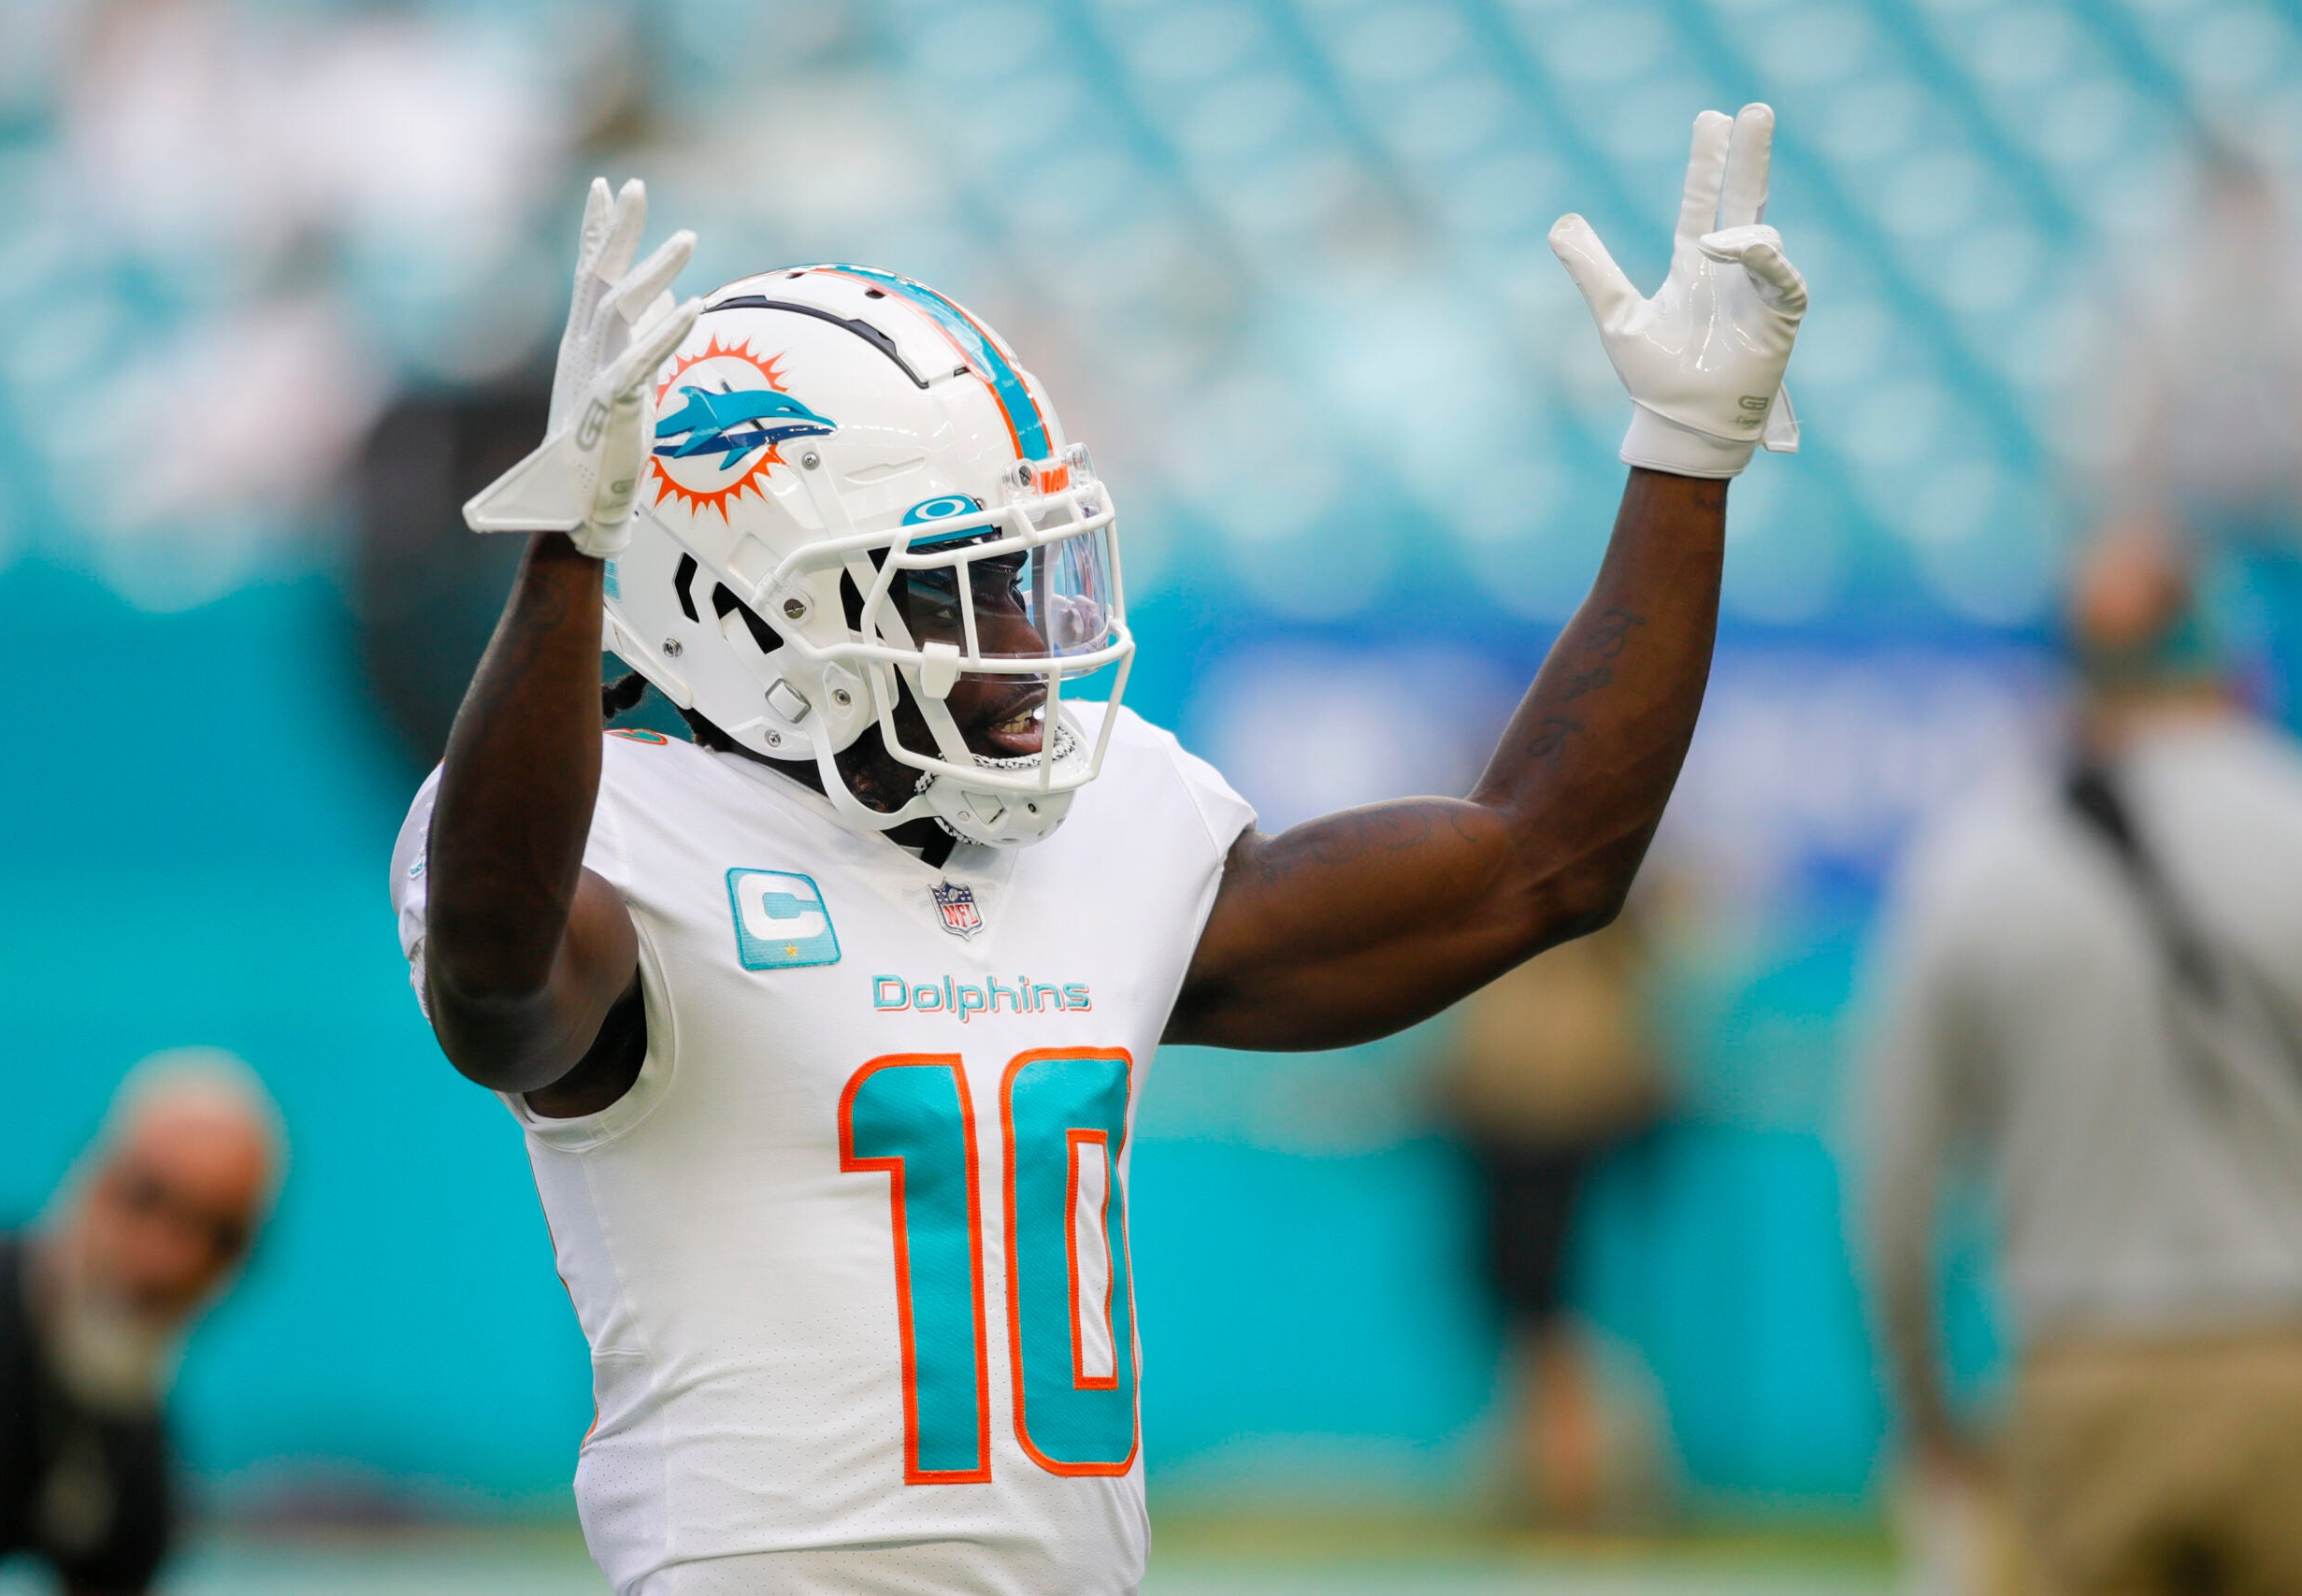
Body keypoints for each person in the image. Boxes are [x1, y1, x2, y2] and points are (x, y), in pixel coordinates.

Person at [393, 106, 1807, 1595]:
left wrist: (1685, 461)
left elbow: (1542, 862)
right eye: (955, 593)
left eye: (1021, 577)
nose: (1023, 643)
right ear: (737, 612)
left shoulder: (1101, 825)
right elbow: (497, 987)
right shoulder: (622, 837)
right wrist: (570, 553)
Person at [1861, 527, 2302, 1596]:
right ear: (2227, 661)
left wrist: (1928, 1415)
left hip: (2081, 1372)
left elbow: (1898, 1192)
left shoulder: (1976, 864)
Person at [0, 1049, 284, 1593]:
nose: (169, 1258)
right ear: (92, 1178)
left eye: (219, 1235)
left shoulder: (132, 1450)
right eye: (147, 1197)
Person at [1443, 906, 1666, 1527]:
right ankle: (1559, 1477)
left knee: (1548, 1316)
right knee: (1532, 1315)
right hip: (1510, 1101)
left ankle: (1574, 1483)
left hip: (1558, 1103)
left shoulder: (1589, 880)